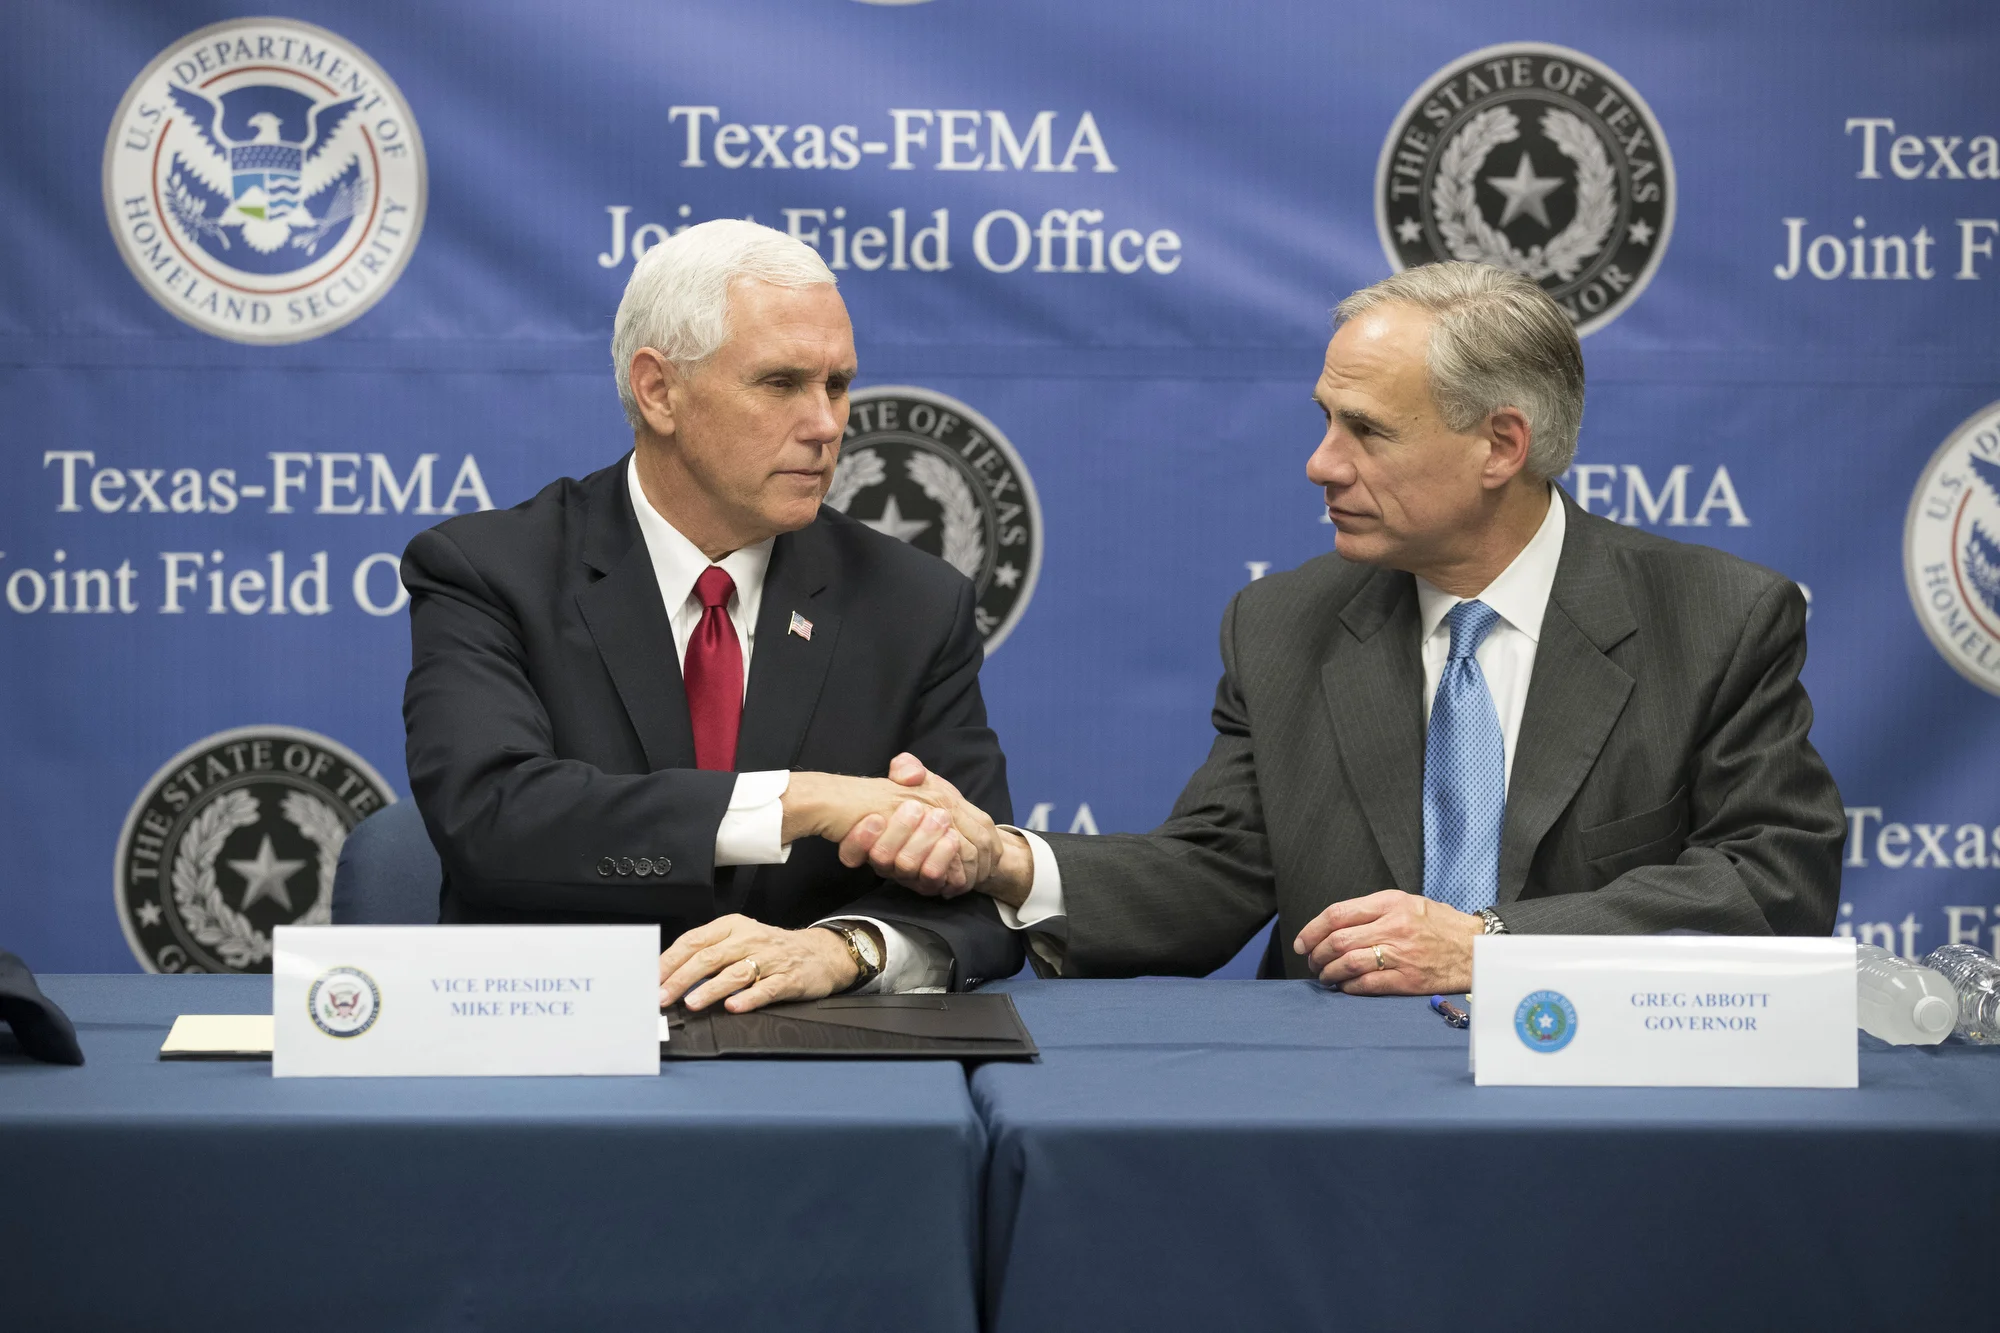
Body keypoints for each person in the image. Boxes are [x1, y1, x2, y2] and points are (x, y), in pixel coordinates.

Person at [850, 262, 1844, 994]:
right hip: (1332, 1097)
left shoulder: (1713, 618)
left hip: (1600, 1095)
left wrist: (1491, 943)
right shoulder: (1283, 624)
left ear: (1500, 443)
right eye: (1326, 419)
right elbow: (1215, 872)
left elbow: (1772, 879)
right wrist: (1006, 861)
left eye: (1364, 430)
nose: (1320, 463)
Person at [401, 219, 1013, 1014]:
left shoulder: (914, 602)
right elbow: (493, 818)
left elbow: (983, 889)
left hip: (821, 1070)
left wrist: (845, 949)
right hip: (557, 1044)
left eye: (837, 384)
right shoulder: (491, 571)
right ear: (659, 390)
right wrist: (803, 800)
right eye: (781, 383)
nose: (827, 424)